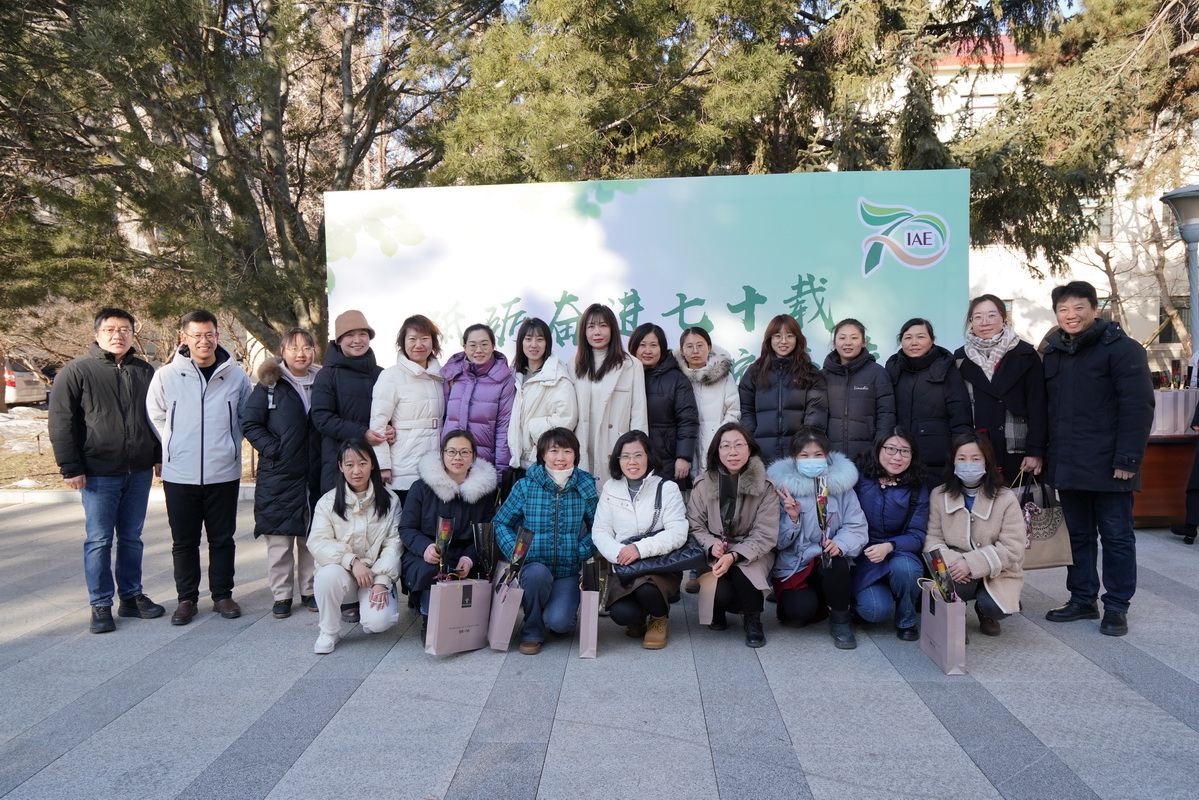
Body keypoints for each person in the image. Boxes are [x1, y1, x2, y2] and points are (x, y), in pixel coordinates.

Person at [1042, 281, 1154, 637]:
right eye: (1063, 309)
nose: (1071, 315)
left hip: (1111, 464)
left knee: (1117, 537)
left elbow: (1138, 407)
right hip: (1068, 463)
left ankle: (1117, 606)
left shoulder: (1122, 349)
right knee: (1078, 536)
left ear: (1094, 308)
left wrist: (1128, 459)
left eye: (1079, 307)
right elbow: (1047, 410)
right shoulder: (1054, 351)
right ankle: (1082, 598)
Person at [48, 307, 165, 633]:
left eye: (125, 329)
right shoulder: (76, 371)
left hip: (138, 471)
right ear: (97, 334)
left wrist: (159, 455)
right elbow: (60, 422)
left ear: (132, 333)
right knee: (99, 539)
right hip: (98, 472)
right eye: (111, 329)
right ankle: (100, 604)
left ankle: (131, 597)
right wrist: (70, 466)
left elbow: (157, 417)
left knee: (131, 537)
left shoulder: (144, 370)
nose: (118, 335)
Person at [146, 309, 252, 626]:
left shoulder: (236, 376)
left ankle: (222, 595)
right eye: (196, 335)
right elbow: (156, 414)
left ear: (217, 336)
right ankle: (187, 599)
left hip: (223, 471)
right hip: (180, 473)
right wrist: (174, 443)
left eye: (209, 334)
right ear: (185, 338)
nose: (203, 341)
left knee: (222, 539)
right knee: (184, 541)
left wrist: (230, 444)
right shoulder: (166, 376)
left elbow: (245, 417)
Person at [493, 427, 599, 654]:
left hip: (567, 570)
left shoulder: (584, 485)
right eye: (554, 451)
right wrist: (518, 553)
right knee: (536, 575)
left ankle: (550, 609)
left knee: (560, 624)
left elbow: (599, 527)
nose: (560, 457)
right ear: (542, 454)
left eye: (567, 451)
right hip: (534, 567)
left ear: (575, 455)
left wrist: (580, 550)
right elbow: (500, 522)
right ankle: (531, 629)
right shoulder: (526, 486)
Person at [242, 328, 323, 619]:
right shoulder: (270, 384)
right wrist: (274, 449)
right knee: (279, 539)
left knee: (311, 536)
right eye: (294, 348)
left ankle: (310, 590)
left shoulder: (323, 381)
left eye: (306, 348)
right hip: (279, 474)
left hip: (315, 472)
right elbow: (250, 423)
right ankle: (282, 595)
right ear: (282, 352)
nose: (301, 354)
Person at [767, 428, 867, 649]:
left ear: (827, 456)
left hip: (828, 560)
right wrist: (792, 518)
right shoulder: (781, 489)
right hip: (795, 563)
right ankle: (818, 597)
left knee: (835, 563)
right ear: (794, 459)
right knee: (799, 612)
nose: (811, 460)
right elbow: (777, 542)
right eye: (804, 455)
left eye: (818, 454)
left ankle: (841, 619)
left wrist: (840, 544)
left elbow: (857, 526)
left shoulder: (841, 486)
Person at [591, 431, 688, 650]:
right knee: (621, 614)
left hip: (659, 565)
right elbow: (600, 531)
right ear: (618, 460)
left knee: (647, 590)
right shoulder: (610, 488)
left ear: (649, 456)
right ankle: (639, 614)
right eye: (625, 456)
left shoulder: (667, 488)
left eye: (638, 455)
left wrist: (639, 549)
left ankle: (659, 617)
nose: (631, 462)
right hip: (626, 566)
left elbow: (678, 532)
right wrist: (618, 553)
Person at [398, 430, 498, 639]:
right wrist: (425, 548)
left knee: (479, 571)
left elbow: (486, 533)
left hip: (466, 552)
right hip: (428, 553)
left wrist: (469, 558)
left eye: (464, 452)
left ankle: (469, 620)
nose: (457, 458)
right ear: (442, 454)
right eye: (451, 451)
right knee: (431, 570)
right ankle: (429, 617)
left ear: (473, 456)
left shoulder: (485, 492)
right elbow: (407, 528)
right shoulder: (421, 487)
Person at [925, 433, 1026, 636]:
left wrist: (971, 563)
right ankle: (955, 615)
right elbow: (932, 538)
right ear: (953, 461)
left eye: (975, 458)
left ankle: (985, 611)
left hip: (998, 568)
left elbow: (1013, 547)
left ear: (987, 462)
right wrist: (955, 563)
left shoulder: (1006, 497)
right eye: (961, 458)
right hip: (955, 565)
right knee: (949, 586)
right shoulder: (939, 495)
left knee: (996, 607)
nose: (968, 464)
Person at [687, 422, 778, 647]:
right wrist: (711, 544)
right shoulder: (702, 484)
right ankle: (718, 610)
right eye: (725, 446)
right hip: (715, 549)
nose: (733, 452)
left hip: (752, 550)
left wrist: (735, 555)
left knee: (744, 574)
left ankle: (753, 619)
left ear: (750, 449)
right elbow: (694, 525)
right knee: (719, 591)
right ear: (717, 451)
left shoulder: (766, 486)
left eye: (739, 445)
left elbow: (765, 533)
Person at [307, 439, 401, 654]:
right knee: (327, 575)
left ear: (372, 464)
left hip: (374, 577)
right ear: (341, 467)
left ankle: (369, 610)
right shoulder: (327, 502)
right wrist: (352, 561)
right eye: (349, 465)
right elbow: (319, 542)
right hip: (343, 575)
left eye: (362, 463)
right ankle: (329, 631)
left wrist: (382, 580)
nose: (356, 471)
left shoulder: (390, 500)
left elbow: (394, 544)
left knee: (378, 623)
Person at [954, 294, 1048, 479]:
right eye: (978, 317)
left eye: (991, 315)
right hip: (977, 451)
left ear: (1003, 318)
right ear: (971, 322)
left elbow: (1038, 406)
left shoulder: (1026, 354)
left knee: (1016, 496)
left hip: (1018, 449)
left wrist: (1035, 450)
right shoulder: (960, 358)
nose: (985, 322)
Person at [851, 428, 929, 640]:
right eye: (891, 449)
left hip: (899, 551)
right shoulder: (859, 477)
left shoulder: (917, 485)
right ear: (878, 449)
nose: (897, 457)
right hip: (864, 554)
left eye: (905, 451)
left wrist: (890, 546)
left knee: (906, 569)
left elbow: (917, 535)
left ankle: (907, 621)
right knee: (875, 611)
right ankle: (860, 600)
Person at [311, 310, 392, 494]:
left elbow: (391, 414)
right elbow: (322, 418)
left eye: (362, 334)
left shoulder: (382, 374)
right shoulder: (327, 375)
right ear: (339, 341)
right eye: (349, 335)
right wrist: (363, 433)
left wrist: (390, 429)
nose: (357, 340)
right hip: (339, 464)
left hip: (375, 462)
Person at [885, 318, 973, 483]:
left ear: (932, 340)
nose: (914, 342)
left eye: (920, 337)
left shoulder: (946, 370)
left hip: (938, 462)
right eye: (908, 337)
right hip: (899, 460)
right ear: (901, 341)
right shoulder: (893, 370)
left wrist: (960, 457)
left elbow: (960, 419)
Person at [370, 314, 445, 500]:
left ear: (433, 342)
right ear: (402, 343)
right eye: (412, 338)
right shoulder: (390, 376)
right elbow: (378, 423)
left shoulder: (441, 376)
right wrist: (383, 465)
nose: (419, 344)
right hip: (404, 464)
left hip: (438, 464)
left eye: (425, 338)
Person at [739, 314, 828, 463]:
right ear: (769, 339)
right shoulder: (754, 372)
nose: (784, 341)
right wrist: (752, 442)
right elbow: (746, 410)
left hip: (798, 457)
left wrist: (804, 447)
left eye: (790, 336)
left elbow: (816, 412)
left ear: (797, 339)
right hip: (761, 456)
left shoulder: (810, 373)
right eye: (777, 336)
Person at [573, 304, 648, 478]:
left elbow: (639, 412)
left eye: (603, 326)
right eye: (591, 326)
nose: (597, 332)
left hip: (616, 444)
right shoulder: (573, 364)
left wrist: (636, 452)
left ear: (612, 329)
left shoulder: (631, 365)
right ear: (584, 331)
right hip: (583, 443)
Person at [440, 323, 515, 482]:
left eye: (484, 344)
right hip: (451, 463)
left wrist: (501, 474)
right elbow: (443, 417)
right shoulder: (453, 374)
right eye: (473, 345)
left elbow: (504, 428)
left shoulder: (503, 379)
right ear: (465, 348)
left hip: (483, 465)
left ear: (493, 346)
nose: (478, 350)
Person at [507, 317, 578, 484]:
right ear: (521, 342)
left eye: (540, 339)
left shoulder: (558, 377)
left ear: (547, 343)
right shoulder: (513, 374)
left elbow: (566, 419)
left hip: (542, 461)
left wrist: (532, 429)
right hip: (515, 461)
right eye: (528, 339)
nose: (534, 345)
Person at [629, 323, 699, 487]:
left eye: (653, 345)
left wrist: (683, 457)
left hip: (666, 461)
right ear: (633, 348)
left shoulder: (676, 379)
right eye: (642, 345)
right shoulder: (624, 376)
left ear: (662, 348)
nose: (648, 351)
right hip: (631, 459)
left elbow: (687, 420)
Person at [821, 318, 896, 462]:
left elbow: (886, 415)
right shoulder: (823, 375)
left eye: (854, 338)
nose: (848, 342)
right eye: (842, 338)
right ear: (834, 343)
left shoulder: (877, 373)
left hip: (867, 457)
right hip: (831, 459)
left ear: (863, 343)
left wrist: (878, 451)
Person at [674, 326, 739, 478]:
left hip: (718, 445)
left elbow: (733, 411)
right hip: (685, 446)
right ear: (682, 350)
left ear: (709, 348)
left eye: (700, 345)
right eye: (689, 346)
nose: (695, 351)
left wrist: (719, 437)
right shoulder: (676, 377)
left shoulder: (724, 376)